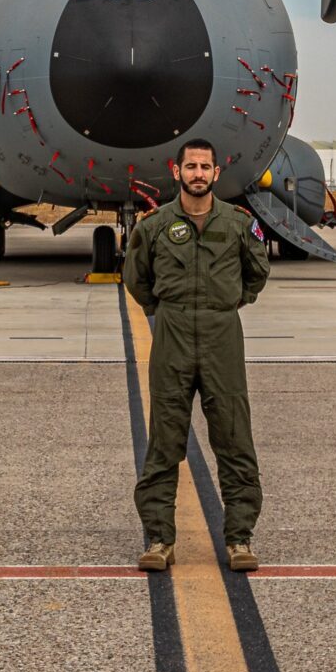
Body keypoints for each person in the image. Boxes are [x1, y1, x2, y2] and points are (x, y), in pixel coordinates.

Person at [124, 137, 271, 573]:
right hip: (172, 337)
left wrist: (229, 303)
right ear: (177, 172)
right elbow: (136, 278)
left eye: (205, 167)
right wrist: (164, 309)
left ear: (216, 173)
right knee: (164, 442)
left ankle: (239, 538)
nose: (198, 174)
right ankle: (159, 540)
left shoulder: (239, 224)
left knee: (234, 439)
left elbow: (257, 273)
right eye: (191, 167)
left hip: (222, 336)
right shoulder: (153, 226)